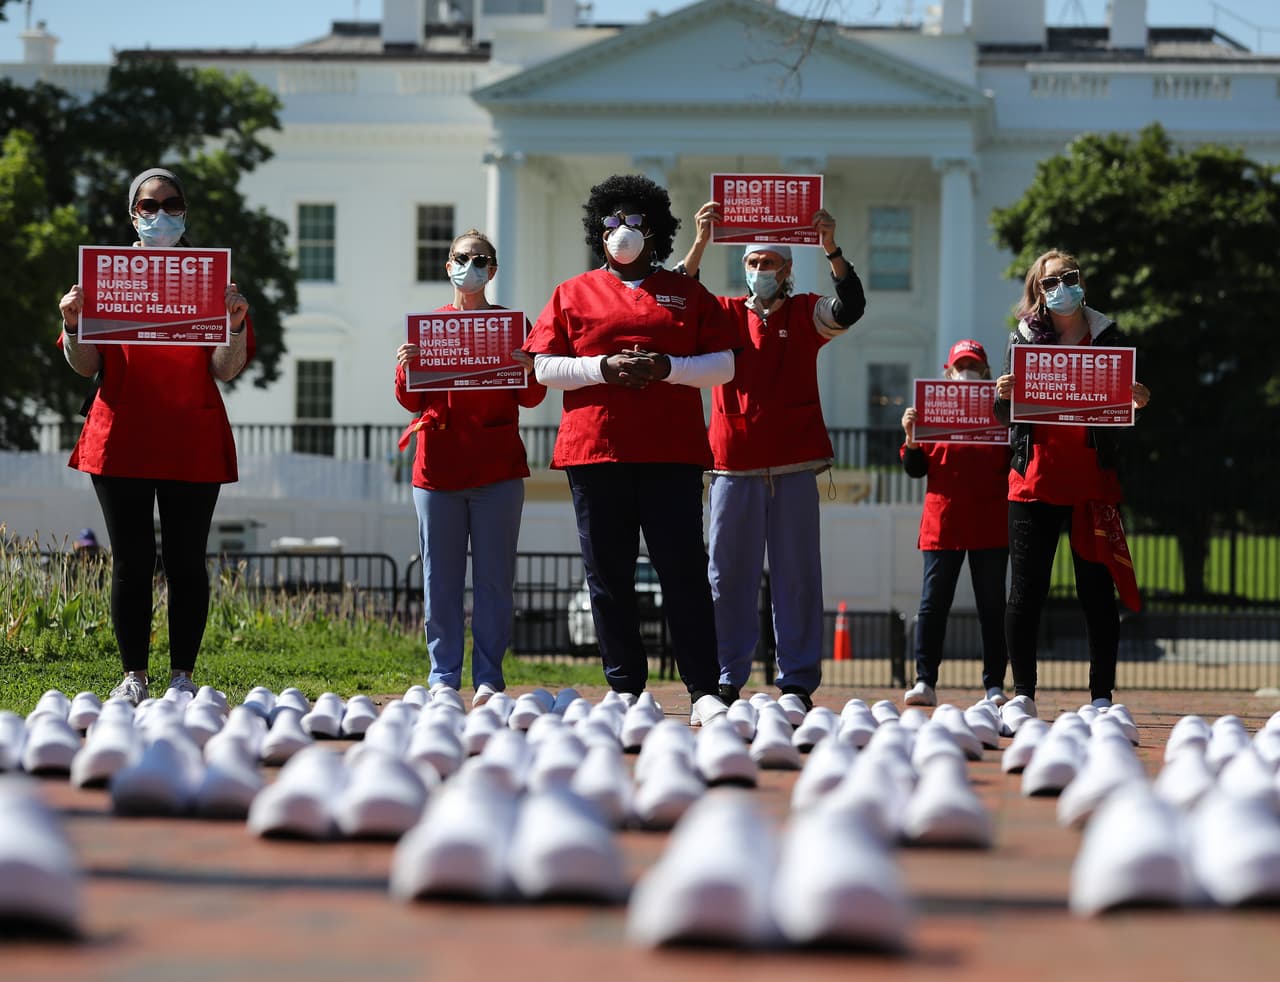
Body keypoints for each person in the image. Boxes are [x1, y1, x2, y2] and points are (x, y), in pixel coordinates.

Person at [526, 174, 737, 726]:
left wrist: (670, 369)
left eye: (634, 220)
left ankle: (705, 689)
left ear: (656, 230)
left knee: (683, 571)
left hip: (670, 453)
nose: (622, 230)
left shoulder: (687, 293)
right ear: (598, 231)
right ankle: (624, 689)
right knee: (608, 575)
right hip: (596, 451)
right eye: (611, 221)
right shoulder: (572, 292)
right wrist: (604, 368)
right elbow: (544, 366)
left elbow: (724, 364)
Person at [57, 166, 253, 705]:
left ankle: (182, 677)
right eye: (148, 205)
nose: (160, 213)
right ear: (132, 214)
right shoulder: (105, 278)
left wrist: (233, 324)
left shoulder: (213, 283)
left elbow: (227, 367)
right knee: (131, 559)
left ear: (185, 211)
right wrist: (74, 322)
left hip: (191, 436)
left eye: (171, 203)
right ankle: (133, 676)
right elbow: (83, 362)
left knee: (187, 560)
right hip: (119, 436)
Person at [677, 201, 866, 717]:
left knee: (798, 575)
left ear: (787, 270)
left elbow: (850, 307)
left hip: (793, 467)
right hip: (731, 465)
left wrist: (831, 247)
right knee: (726, 576)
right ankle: (724, 677)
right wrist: (699, 242)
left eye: (770, 263)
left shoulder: (807, 311)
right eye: (753, 263)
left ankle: (797, 682)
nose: (760, 271)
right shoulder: (723, 313)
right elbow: (674, 302)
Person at [994, 250, 1151, 723]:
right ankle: (1022, 692)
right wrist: (1003, 396)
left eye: (1069, 277)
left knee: (1096, 593)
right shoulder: (1021, 339)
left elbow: (1118, 415)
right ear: (1037, 291)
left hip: (1091, 484)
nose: (1061, 287)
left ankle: (1101, 695)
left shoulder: (1108, 336)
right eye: (1050, 281)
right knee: (1026, 591)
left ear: (1082, 281)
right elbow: (1008, 418)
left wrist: (1137, 402)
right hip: (1034, 480)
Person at [394, 228, 546, 708]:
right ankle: (442, 677)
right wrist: (405, 366)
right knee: (439, 579)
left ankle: (488, 678)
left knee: (495, 580)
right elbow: (408, 399)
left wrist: (529, 365)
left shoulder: (514, 328)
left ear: (493, 270)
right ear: (448, 266)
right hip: (437, 472)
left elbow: (533, 396)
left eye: (481, 259)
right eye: (463, 257)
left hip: (497, 471)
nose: (471, 265)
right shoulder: (428, 327)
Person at [900, 339, 1010, 708]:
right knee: (933, 604)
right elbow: (916, 469)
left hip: (990, 522)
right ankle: (924, 680)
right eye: (961, 366)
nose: (967, 372)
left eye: (975, 366)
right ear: (947, 372)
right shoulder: (932, 411)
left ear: (986, 372)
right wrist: (912, 441)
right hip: (943, 522)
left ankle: (995, 685)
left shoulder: (1002, 411)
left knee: (992, 606)